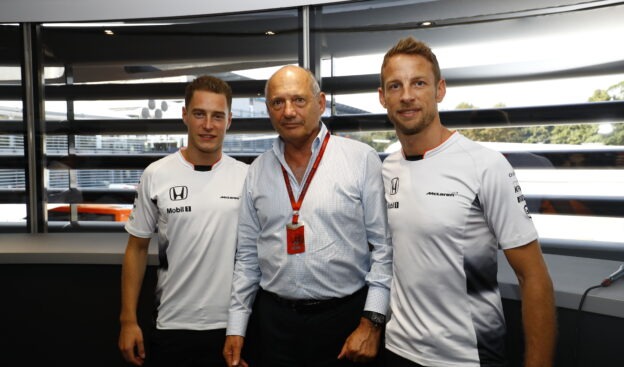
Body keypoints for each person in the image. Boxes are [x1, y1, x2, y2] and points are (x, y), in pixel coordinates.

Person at [378, 37, 556, 367]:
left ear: (440, 89)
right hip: (397, 350)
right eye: (395, 85)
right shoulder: (387, 168)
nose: (406, 95)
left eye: (419, 83)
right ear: (382, 97)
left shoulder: (485, 165)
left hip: (467, 356)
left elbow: (534, 277)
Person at [223, 65, 392, 367]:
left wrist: (372, 322)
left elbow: (384, 249)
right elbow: (247, 257)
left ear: (321, 103)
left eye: (299, 100)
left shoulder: (359, 159)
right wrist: (236, 327)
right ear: (269, 109)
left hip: (344, 321)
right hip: (274, 324)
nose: (288, 111)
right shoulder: (257, 171)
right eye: (278, 102)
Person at [118, 75, 249, 367]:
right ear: (185, 116)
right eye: (199, 114)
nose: (208, 125)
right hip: (172, 325)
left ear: (229, 121)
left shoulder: (245, 176)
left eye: (218, 116)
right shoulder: (156, 174)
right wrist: (128, 321)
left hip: (232, 328)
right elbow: (137, 249)